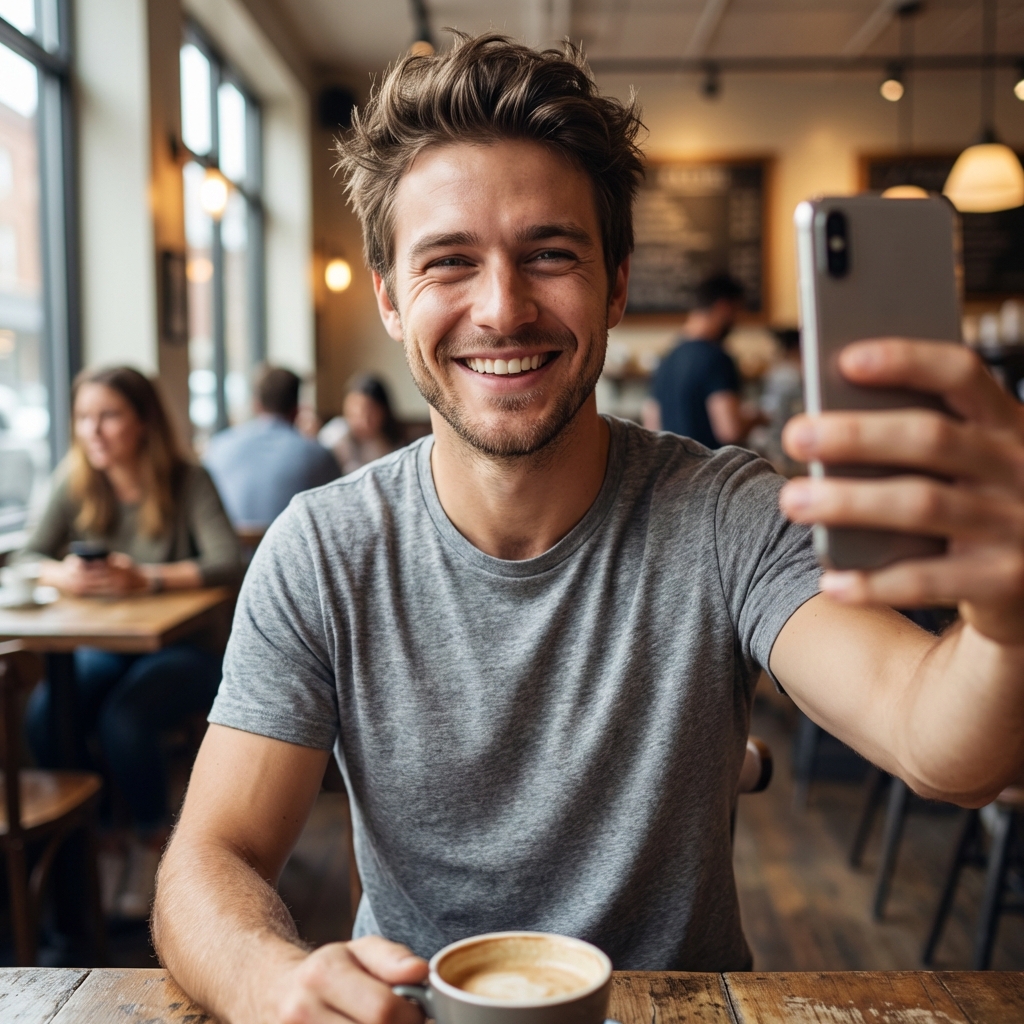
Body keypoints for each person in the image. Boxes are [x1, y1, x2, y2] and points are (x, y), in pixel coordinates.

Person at [153, 35, 1024, 1024]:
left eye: (549, 255)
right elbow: (209, 858)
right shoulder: (323, 547)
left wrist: (1005, 626)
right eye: (449, 263)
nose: (503, 307)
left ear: (615, 286)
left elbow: (937, 743)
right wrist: (268, 980)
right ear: (392, 300)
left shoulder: (724, 511)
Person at [21, 366, 243, 919]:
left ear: (142, 422)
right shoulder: (75, 480)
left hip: (189, 647)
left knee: (125, 720)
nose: (92, 431)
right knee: (47, 715)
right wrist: (63, 576)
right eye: (83, 418)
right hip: (110, 644)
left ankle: (151, 844)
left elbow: (224, 563)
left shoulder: (187, 479)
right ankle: (96, 842)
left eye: (109, 416)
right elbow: (28, 556)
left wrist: (143, 577)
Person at [204, 366, 340, 528]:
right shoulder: (318, 455)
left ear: (256, 404)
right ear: (297, 410)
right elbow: (335, 514)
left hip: (234, 551)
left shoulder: (218, 446)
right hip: (291, 551)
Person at [643, 273, 765, 447]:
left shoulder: (666, 358)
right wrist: (757, 419)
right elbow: (730, 431)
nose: (737, 321)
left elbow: (652, 425)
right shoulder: (716, 358)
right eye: (737, 311)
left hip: (673, 471)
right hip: (712, 470)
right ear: (723, 307)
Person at [318, 374, 404, 475]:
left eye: (371, 413)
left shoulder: (386, 443)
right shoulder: (336, 435)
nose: (362, 420)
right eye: (355, 412)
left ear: (384, 412)